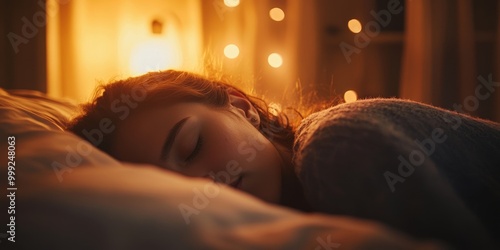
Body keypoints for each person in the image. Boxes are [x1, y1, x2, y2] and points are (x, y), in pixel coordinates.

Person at [67, 70, 500, 248]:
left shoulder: (338, 147)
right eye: (172, 188)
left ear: (240, 106)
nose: (203, 188)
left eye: (192, 146)